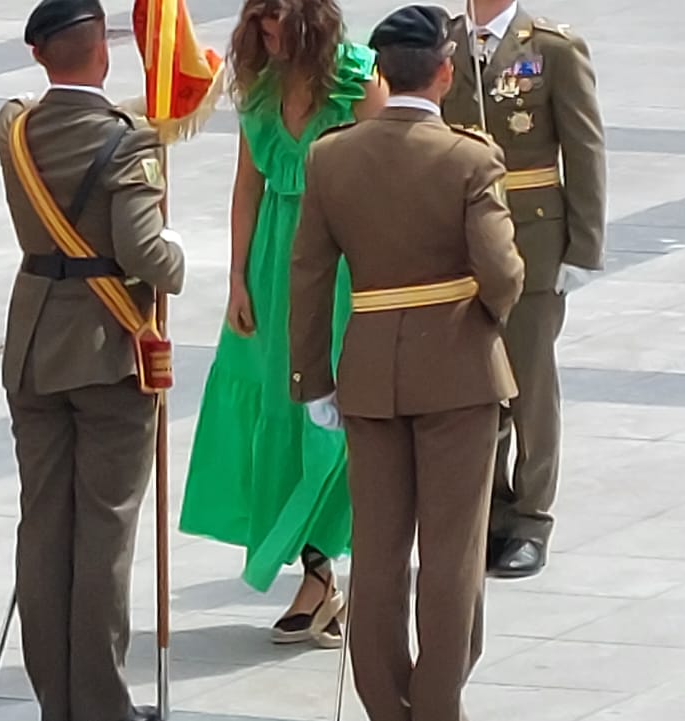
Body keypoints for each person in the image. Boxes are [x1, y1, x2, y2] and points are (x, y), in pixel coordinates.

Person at [289, 5, 525, 719]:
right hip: (458, 370)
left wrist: (312, 380)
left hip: (367, 373)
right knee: (451, 555)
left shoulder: (332, 155)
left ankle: (386, 705)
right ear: (447, 71)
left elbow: (306, 277)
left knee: (380, 552)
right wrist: (485, 317)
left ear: (382, 75)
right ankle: (436, 704)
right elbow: (504, 273)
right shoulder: (469, 155)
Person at [0, 1, 186, 720]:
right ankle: (100, 702)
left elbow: (26, 114)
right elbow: (143, 252)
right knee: (104, 528)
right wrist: (179, 260)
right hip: (108, 351)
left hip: (35, 343)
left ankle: (56, 697)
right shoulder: (127, 143)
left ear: (40, 56)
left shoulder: (13, 129)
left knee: (44, 525)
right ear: (102, 52)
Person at [177, 0, 388, 649]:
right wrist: (238, 277)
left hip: (343, 260)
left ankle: (322, 573)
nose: (266, 38)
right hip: (275, 261)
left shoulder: (359, 80)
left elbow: (386, 171)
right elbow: (247, 185)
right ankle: (317, 574)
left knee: (334, 417)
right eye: (258, 26)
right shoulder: (262, 87)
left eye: (278, 26)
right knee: (283, 411)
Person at [442, 0, 607, 578]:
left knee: (530, 387)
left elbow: (583, 148)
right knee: (475, 386)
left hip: (532, 240)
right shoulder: (443, 42)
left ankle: (531, 518)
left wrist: (584, 247)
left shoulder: (552, 48)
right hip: (461, 241)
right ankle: (486, 514)